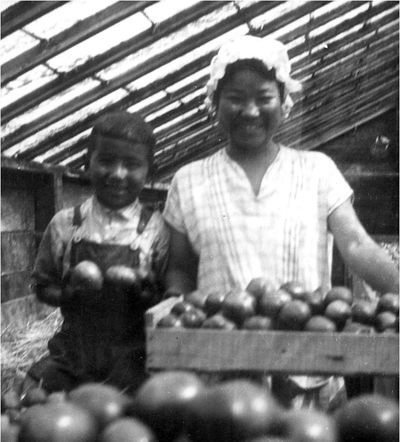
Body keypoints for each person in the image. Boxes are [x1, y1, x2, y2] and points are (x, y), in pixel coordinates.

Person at [162, 35, 399, 409]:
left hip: (309, 365)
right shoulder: (188, 180)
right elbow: (178, 270)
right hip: (219, 374)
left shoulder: (317, 170)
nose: (251, 110)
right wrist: (175, 322)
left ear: (283, 101)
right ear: (215, 103)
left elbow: (355, 244)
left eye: (264, 97)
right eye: (236, 98)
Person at [25, 111, 169, 394]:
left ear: (150, 172)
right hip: (72, 354)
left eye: (132, 164)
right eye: (105, 161)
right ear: (86, 163)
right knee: (33, 396)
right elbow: (43, 287)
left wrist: (149, 296)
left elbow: (167, 299)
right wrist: (66, 293)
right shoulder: (66, 224)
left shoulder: (157, 229)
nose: (117, 174)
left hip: (133, 356)